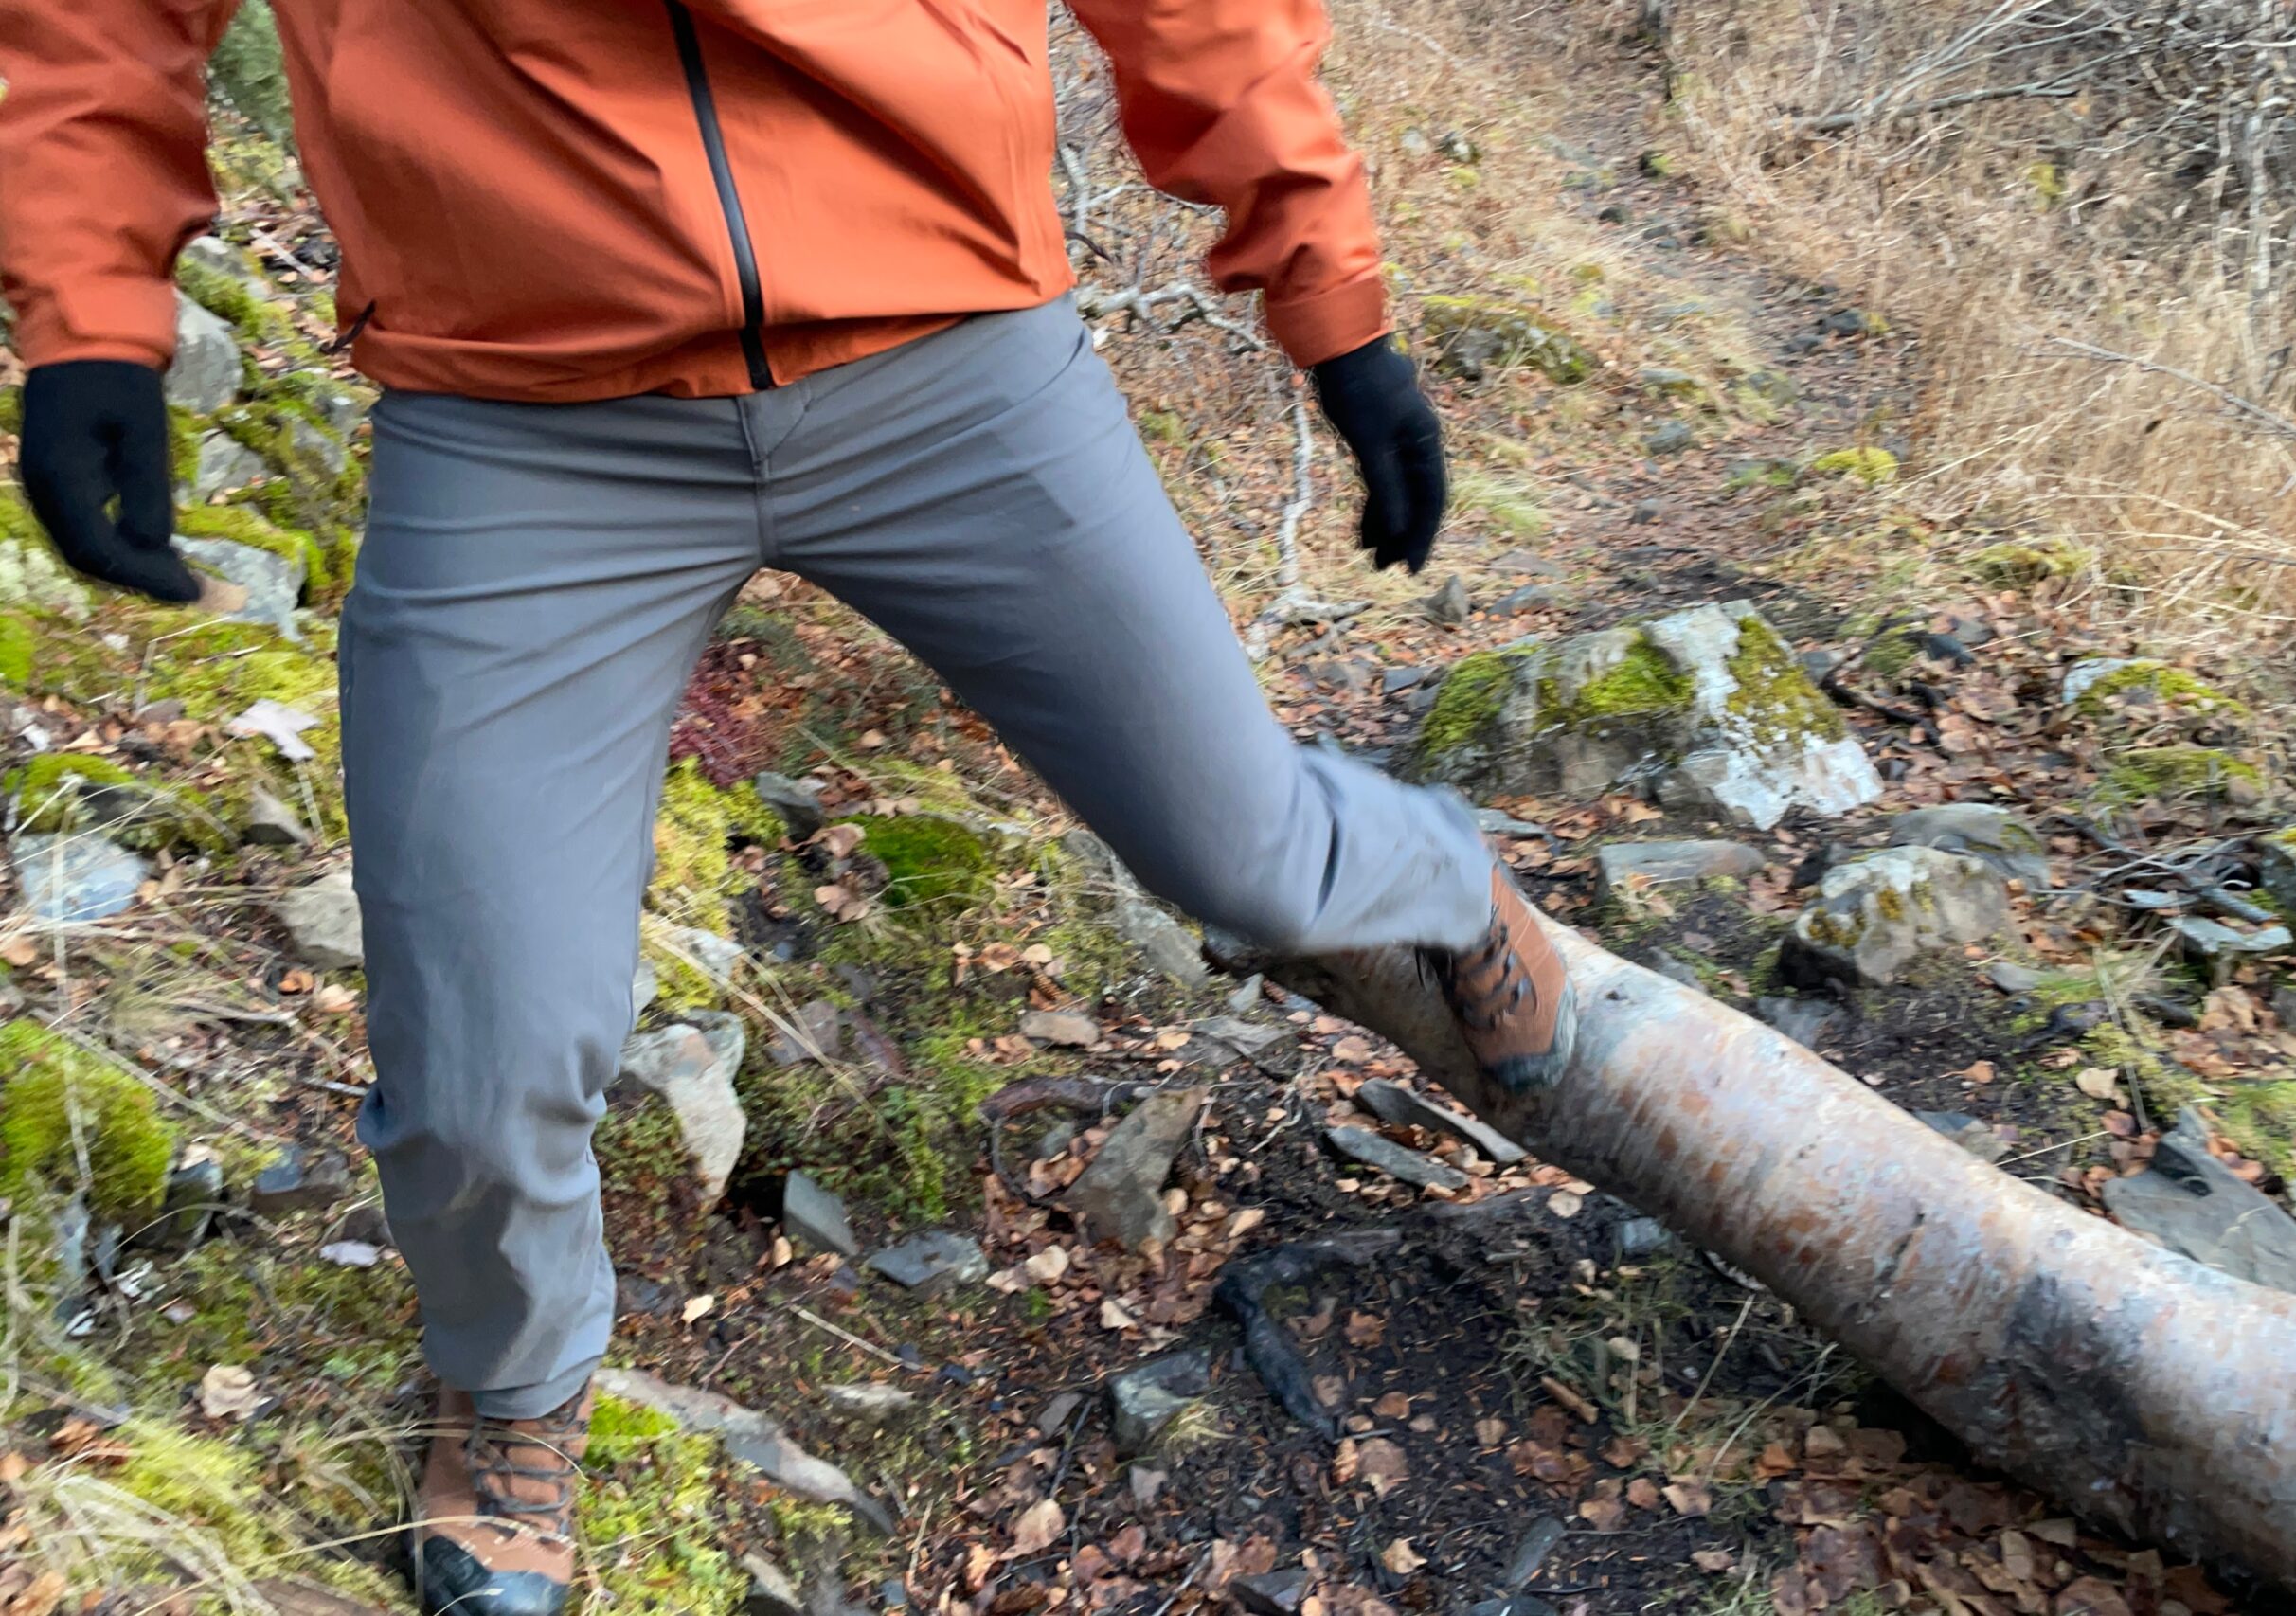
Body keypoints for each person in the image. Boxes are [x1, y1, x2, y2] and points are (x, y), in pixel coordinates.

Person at [0, 2, 1577, 1609]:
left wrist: (1329, 285)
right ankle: (511, 1385)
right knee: (476, 1056)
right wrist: (88, 312)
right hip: (523, 414)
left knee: (1247, 854)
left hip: (951, 355)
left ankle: (1454, 879)